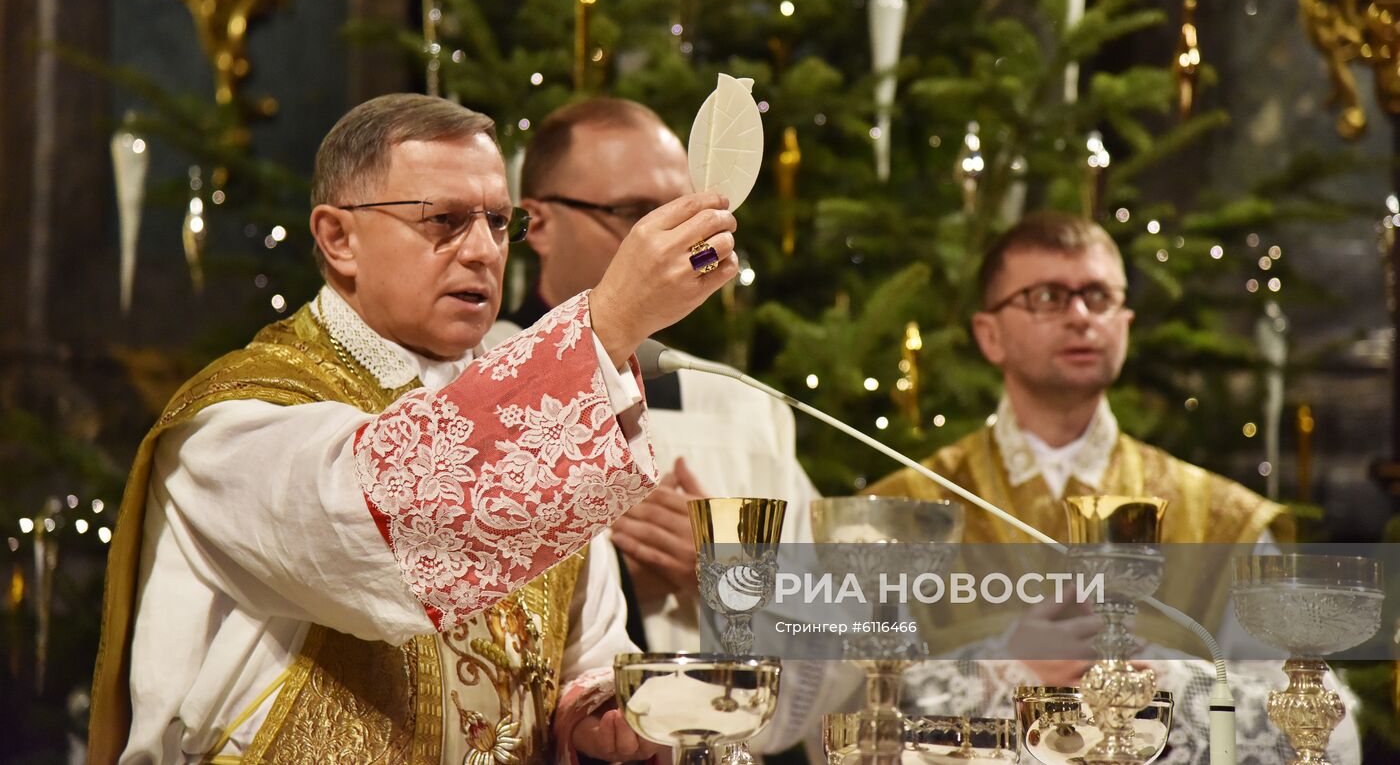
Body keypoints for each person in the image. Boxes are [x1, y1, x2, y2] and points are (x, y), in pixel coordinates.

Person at [88, 93, 741, 764]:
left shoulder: (547, 423)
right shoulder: (235, 423)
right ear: (339, 238)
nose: (483, 250)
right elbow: (403, 516)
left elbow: (591, 652)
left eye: (497, 221)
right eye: (445, 220)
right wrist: (609, 322)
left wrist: (595, 714)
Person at [867, 211, 1359, 765]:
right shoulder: (896, 516)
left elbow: (1327, 733)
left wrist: (1164, 681)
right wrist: (1001, 669)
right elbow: (840, 721)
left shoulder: (1222, 519)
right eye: (1047, 297)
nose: (1080, 317)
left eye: (1099, 297)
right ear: (990, 335)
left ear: (1125, 321)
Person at [498, 97, 834, 754]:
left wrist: (731, 582)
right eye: (634, 215)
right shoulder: (479, 381)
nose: (675, 242)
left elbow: (840, 643)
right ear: (538, 223)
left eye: (684, 216)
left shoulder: (740, 406)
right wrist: (598, 572)